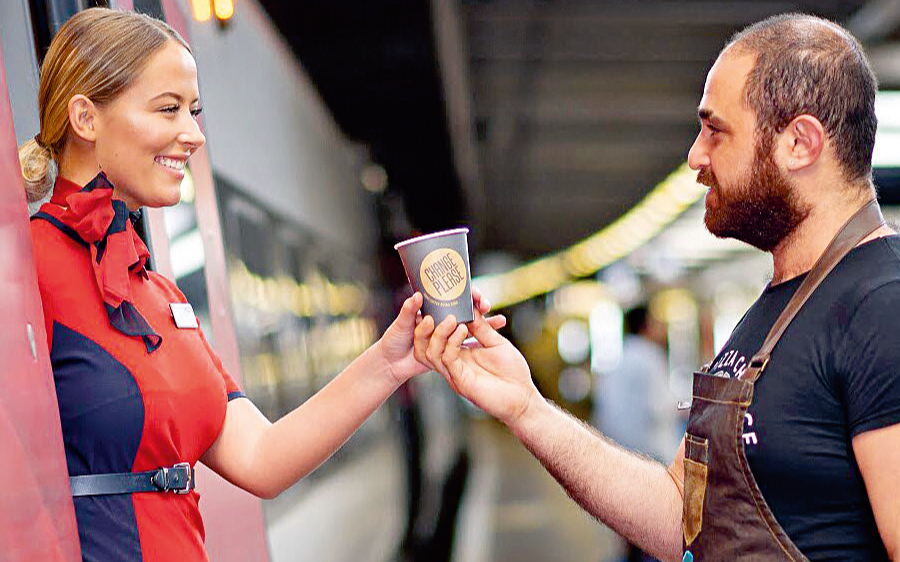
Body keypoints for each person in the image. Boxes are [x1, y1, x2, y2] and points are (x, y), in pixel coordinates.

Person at [19, 8, 503, 562]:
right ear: (85, 117)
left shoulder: (163, 297)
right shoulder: (25, 270)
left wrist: (393, 360)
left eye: (194, 111)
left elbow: (262, 458)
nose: (194, 135)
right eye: (168, 109)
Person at [415, 13, 900, 562]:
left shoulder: (882, 305)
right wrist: (526, 407)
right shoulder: (775, 310)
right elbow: (681, 519)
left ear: (800, 142)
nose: (695, 154)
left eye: (715, 130)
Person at [593, 305, 677, 562]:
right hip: (651, 457)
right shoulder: (651, 357)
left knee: (628, 528)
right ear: (646, 325)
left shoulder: (620, 358)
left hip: (619, 452)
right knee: (653, 533)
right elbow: (661, 406)